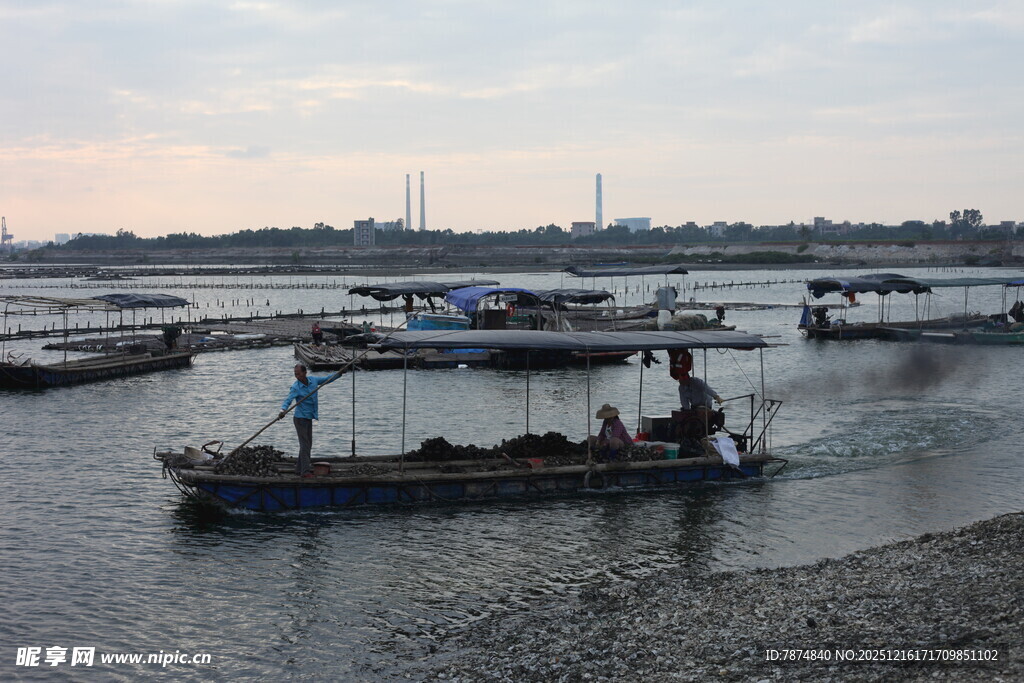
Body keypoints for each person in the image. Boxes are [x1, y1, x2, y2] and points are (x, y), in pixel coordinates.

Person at [279, 364, 336, 477]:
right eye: (295, 374)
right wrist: (283, 410)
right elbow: (288, 399)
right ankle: (305, 472)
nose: (297, 376)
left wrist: (339, 374)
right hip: (300, 419)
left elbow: (326, 379)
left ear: (305, 373)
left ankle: (299, 469)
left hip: (308, 418)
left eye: (298, 374)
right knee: (305, 445)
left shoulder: (313, 381)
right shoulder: (296, 387)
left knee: (308, 444)